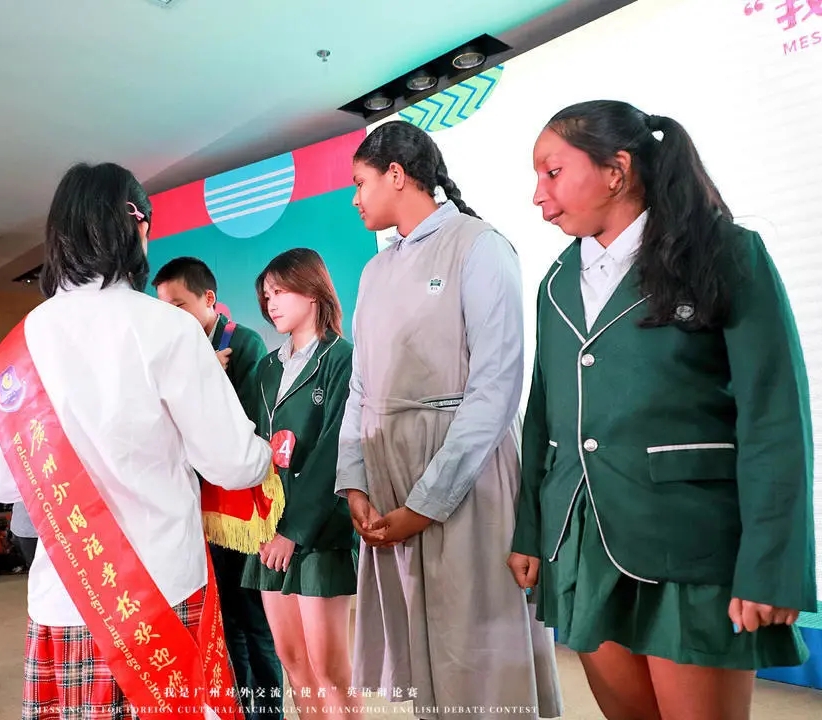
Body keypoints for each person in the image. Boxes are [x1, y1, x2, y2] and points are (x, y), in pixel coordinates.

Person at [508, 100, 816, 720]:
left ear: (616, 169)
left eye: (553, 172)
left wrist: (772, 566)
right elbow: (542, 413)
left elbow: (775, 417)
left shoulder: (725, 253)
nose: (539, 195)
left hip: (689, 541)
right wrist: (531, 531)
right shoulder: (556, 281)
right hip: (583, 539)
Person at [0, 161, 273, 720]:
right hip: (162, 594)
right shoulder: (169, 328)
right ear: (137, 227)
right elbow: (233, 463)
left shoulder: (23, 341)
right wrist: (266, 453)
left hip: (66, 599)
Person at [336, 120, 561, 720]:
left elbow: (496, 387)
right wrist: (354, 482)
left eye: (359, 182)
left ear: (396, 174)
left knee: (476, 652)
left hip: (464, 469)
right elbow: (361, 387)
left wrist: (426, 503)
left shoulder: (479, 246)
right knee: (420, 656)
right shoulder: (375, 271)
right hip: (388, 475)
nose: (354, 199)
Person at [153, 256, 284, 720]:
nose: (170, 317)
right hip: (203, 511)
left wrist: (206, 377)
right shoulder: (183, 352)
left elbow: (242, 429)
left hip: (241, 513)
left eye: (179, 305)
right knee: (226, 623)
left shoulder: (243, 343)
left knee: (254, 622)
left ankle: (268, 712)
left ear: (209, 299)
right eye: (163, 308)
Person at [240, 248, 358, 720]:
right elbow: (253, 445)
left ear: (312, 291)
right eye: (266, 295)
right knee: (294, 665)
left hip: (318, 532)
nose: (271, 303)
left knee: (330, 671)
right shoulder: (267, 368)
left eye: (280, 291)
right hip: (269, 530)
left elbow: (335, 451)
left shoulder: (342, 359)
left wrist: (293, 530)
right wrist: (263, 525)